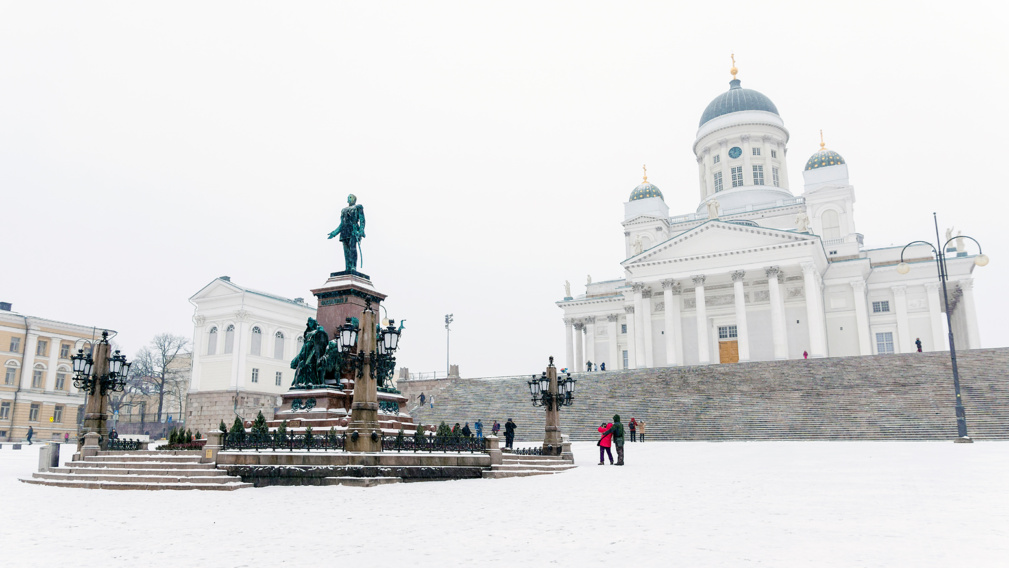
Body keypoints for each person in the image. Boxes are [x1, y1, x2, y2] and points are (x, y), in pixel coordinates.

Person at [327, 193, 366, 272]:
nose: (348, 199)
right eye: (348, 197)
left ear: (354, 199)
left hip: (353, 230)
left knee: (352, 249)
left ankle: (353, 266)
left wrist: (361, 231)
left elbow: (362, 220)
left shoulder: (358, 207)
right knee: (346, 251)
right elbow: (342, 224)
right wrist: (334, 233)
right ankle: (348, 266)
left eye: (350, 197)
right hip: (345, 231)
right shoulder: (343, 210)